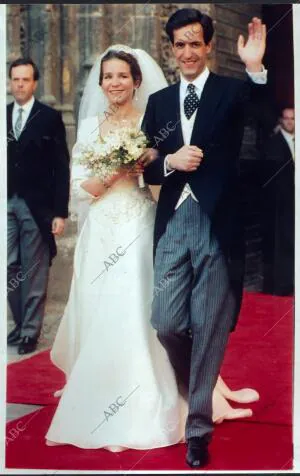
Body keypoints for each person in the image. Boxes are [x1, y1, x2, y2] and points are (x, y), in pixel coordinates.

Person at [45, 45, 259, 451]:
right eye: (107, 76)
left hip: (141, 225)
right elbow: (82, 188)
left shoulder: (153, 120)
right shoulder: (89, 127)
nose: (114, 83)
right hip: (103, 229)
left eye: (122, 76)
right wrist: (117, 170)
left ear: (136, 81)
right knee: (102, 312)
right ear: (100, 82)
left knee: (146, 310)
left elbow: (165, 182)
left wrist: (153, 166)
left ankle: (162, 397)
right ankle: (104, 398)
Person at [142, 9, 267, 467]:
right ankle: (202, 381)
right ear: (171, 48)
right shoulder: (158, 102)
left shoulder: (232, 92)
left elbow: (263, 114)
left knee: (210, 324)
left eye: (196, 43)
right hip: (174, 221)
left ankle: (198, 428)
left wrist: (254, 69)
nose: (188, 52)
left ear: (209, 46)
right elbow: (147, 166)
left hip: (218, 223)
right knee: (167, 322)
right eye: (180, 44)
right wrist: (171, 161)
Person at [7, 58, 70, 355]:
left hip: (37, 205)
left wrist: (60, 212)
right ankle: (19, 324)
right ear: (10, 82)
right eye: (15, 79)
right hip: (6, 202)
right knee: (9, 266)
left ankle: (30, 331)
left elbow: (61, 166)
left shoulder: (49, 117)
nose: (19, 84)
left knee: (33, 268)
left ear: (34, 83)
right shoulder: (4, 115)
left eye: (25, 79)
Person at [261, 107, 295, 296]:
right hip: (280, 204)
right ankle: (280, 287)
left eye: (294, 119)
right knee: (280, 245)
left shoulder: (294, 141)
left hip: (291, 203)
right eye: (287, 118)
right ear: (281, 120)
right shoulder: (274, 143)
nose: (290, 122)